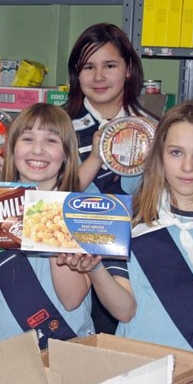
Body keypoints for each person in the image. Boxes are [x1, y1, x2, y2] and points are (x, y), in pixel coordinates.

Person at [62, 102, 193, 360]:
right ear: (158, 155)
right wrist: (95, 269)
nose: (187, 167)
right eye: (176, 152)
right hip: (133, 363)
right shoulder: (128, 219)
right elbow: (125, 311)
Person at [0, 103, 94, 349]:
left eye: (51, 141)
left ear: (67, 154)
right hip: (2, 350)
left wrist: (51, 218)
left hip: (68, 348)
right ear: (11, 150)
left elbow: (71, 299)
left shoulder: (79, 212)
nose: (38, 150)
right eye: (27, 139)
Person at [64, 22, 156, 335]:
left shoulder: (154, 130)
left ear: (129, 69)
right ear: (77, 74)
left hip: (136, 268)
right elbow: (46, 197)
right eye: (88, 67)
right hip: (69, 263)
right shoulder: (55, 127)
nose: (99, 77)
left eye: (110, 65)